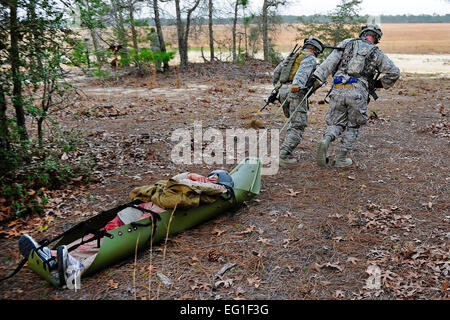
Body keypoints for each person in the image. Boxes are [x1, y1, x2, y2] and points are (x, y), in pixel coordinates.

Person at [17, 169, 233, 288]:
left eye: (217, 177)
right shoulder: (197, 181)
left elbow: (191, 188)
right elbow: (175, 181)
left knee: (106, 237)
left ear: (222, 183)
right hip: (144, 210)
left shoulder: (217, 189)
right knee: (102, 232)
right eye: (212, 174)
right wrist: (191, 175)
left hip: (151, 216)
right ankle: (55, 255)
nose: (211, 177)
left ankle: (72, 265)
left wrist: (197, 179)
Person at [310, 24, 401, 168]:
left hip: (338, 87)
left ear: (362, 34)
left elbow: (329, 63)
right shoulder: (377, 53)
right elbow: (394, 72)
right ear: (376, 38)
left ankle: (326, 140)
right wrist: (378, 84)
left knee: (336, 123)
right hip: (357, 91)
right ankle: (341, 158)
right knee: (353, 125)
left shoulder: (347, 43)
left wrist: (315, 79)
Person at [272, 37, 325, 165]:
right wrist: (297, 86)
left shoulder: (293, 56)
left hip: (283, 91)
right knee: (298, 125)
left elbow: (276, 73)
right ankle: (284, 155)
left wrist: (277, 90)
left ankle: (286, 151)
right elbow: (302, 74)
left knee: (293, 122)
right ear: (316, 50)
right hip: (295, 92)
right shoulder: (310, 58)